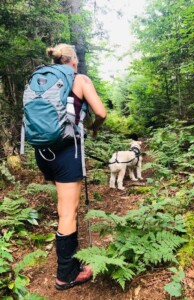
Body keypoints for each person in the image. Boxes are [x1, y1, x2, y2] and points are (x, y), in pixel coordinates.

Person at [34, 43, 107, 290]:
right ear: (73, 61)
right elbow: (102, 113)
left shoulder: (42, 79)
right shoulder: (80, 79)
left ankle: (70, 262)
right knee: (68, 211)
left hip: (43, 151)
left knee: (63, 207)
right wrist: (94, 128)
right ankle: (66, 275)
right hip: (67, 150)